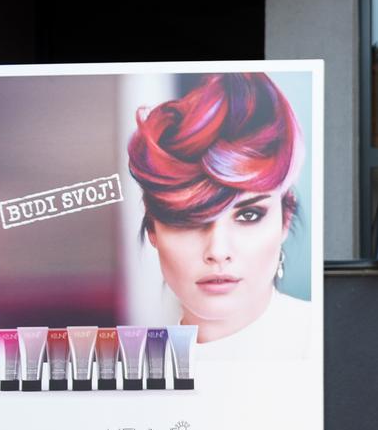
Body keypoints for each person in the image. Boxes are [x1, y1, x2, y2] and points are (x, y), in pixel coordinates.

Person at [127, 73, 310, 354]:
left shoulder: (321, 341)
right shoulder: (137, 363)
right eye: (190, 218)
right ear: (152, 227)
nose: (218, 251)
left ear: (285, 218)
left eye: (248, 215)